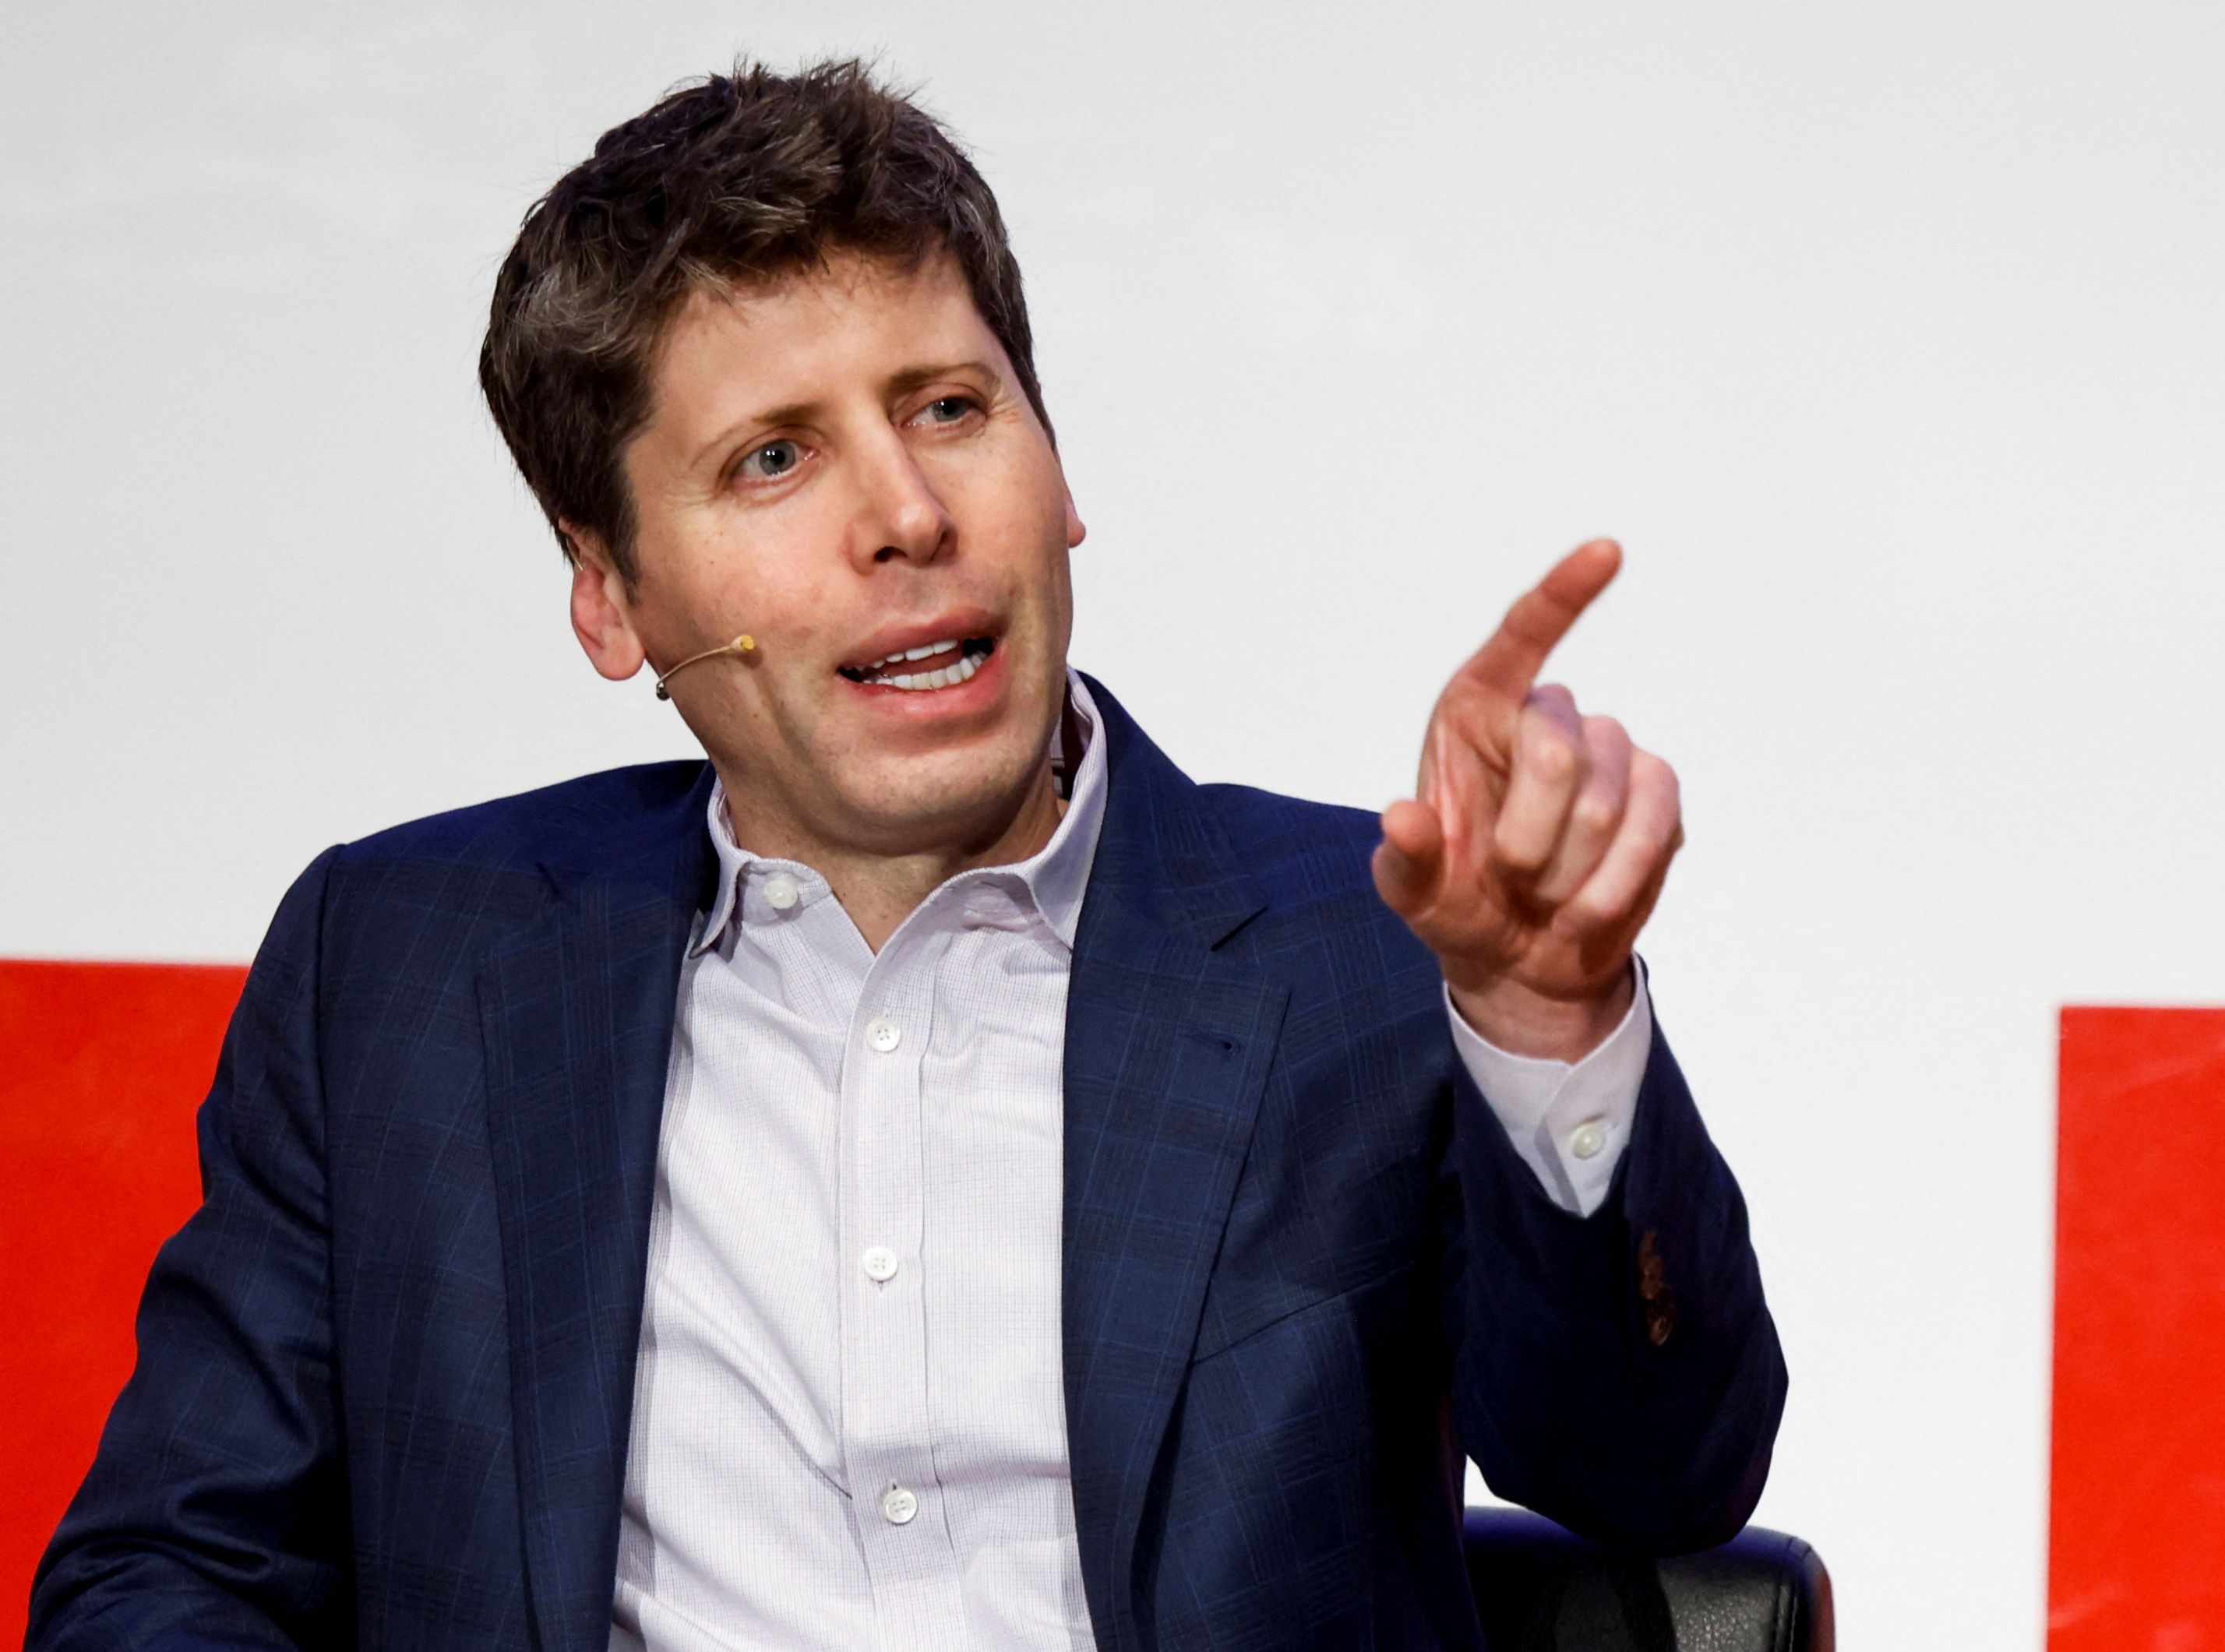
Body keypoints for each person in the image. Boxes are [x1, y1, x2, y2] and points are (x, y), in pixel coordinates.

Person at [29, 60, 1784, 1652]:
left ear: (1056, 459)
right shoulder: (401, 962)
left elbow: (1658, 1480)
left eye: (949, 405)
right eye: (774, 456)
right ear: (611, 588)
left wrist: (1546, 1021)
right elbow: (171, 1573)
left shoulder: (1378, 941)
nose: (909, 514)